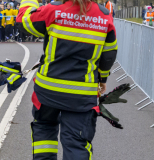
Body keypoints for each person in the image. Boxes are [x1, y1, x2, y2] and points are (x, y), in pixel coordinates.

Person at [16, 0, 118, 159]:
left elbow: (24, 21)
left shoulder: (53, 10)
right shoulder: (104, 16)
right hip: (81, 95)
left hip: (48, 91)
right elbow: (109, 54)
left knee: (44, 129)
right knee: (76, 142)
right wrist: (102, 78)